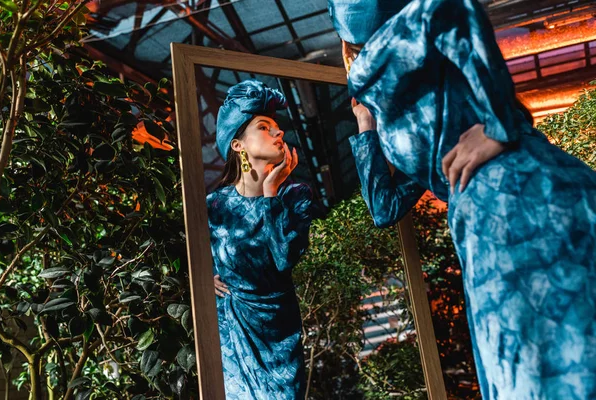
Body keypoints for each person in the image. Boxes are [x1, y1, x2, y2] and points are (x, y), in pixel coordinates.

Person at [328, 0, 596, 399]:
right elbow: (384, 208)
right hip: (494, 217)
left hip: (517, 209)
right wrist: (367, 128)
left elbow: (449, 6)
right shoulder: (406, 84)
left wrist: (497, 125)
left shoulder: (385, 52)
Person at [206, 80, 311, 400]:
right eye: (265, 127)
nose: (279, 133)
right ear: (238, 145)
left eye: (278, 128)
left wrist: (270, 193)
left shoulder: (295, 195)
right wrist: (202, 279)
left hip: (280, 335)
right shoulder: (214, 206)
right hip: (232, 333)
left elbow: (283, 257)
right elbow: (194, 263)